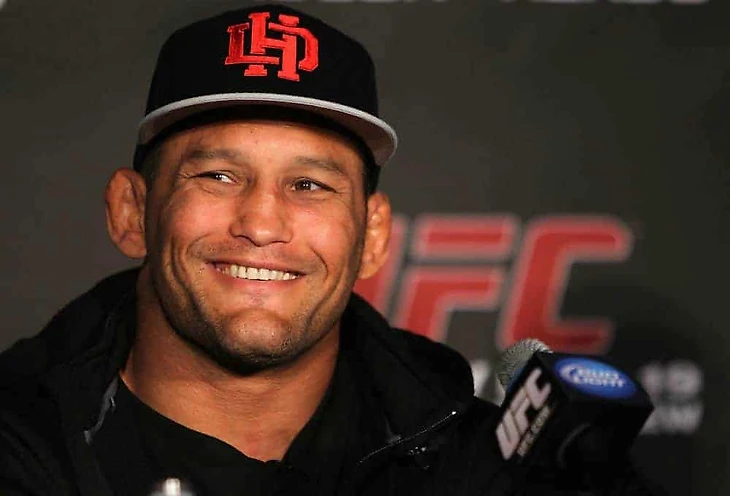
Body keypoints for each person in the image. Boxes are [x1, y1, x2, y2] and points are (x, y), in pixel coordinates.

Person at [0, 5, 658, 496]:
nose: (261, 223)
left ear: (372, 235)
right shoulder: (21, 444)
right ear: (131, 211)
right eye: (218, 175)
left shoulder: (484, 468)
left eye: (309, 185)